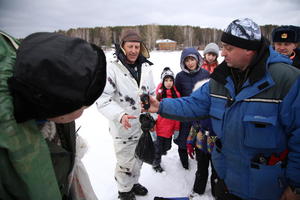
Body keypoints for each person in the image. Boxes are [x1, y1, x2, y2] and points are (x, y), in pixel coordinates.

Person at [143, 18, 300, 200]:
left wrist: (296, 186)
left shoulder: (287, 80)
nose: (223, 53)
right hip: (226, 181)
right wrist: (161, 106)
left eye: (229, 48)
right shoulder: (220, 79)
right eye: (222, 46)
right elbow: (194, 104)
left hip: (268, 189)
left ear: (249, 49)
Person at [0, 31, 107, 200]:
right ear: (56, 109)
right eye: (83, 108)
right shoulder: (12, 154)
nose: (83, 113)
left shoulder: (36, 89)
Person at [96, 29, 155, 200]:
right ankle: (124, 190)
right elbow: (103, 98)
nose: (134, 50)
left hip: (142, 124)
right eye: (130, 46)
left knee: (139, 158)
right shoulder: (112, 68)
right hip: (123, 126)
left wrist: (153, 117)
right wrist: (120, 115)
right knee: (125, 163)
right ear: (122, 47)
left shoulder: (146, 67)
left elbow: (151, 93)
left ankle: (133, 183)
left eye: (137, 47)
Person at [174, 47, 210, 170]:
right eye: (187, 60)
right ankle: (184, 161)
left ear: (197, 60)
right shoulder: (179, 77)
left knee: (199, 137)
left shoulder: (205, 74)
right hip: (185, 113)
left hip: (200, 114)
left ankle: (199, 158)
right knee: (183, 138)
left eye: (192, 59)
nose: (190, 63)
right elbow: (176, 93)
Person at [187, 80, 217, 199]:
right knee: (201, 168)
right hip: (200, 142)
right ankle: (198, 189)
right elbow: (194, 127)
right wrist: (190, 142)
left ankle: (217, 191)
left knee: (216, 170)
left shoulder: (220, 109)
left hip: (215, 143)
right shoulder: (198, 111)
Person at [152, 67, 181, 173]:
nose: (168, 83)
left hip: (170, 128)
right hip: (159, 128)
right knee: (158, 149)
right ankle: (156, 164)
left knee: (167, 147)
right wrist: (153, 128)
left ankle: (160, 155)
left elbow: (178, 114)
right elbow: (153, 114)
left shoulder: (176, 95)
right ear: (162, 81)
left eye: (170, 80)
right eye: (166, 80)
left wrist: (177, 129)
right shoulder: (158, 95)